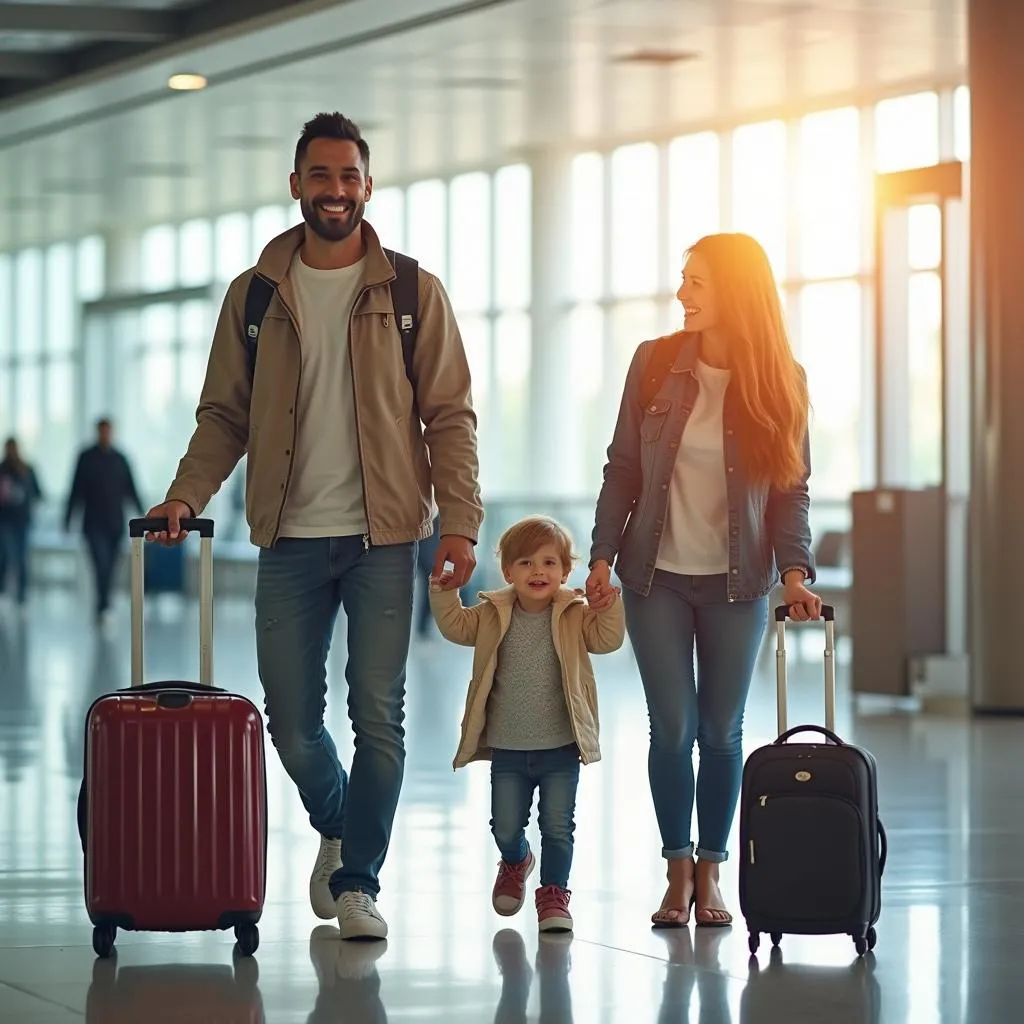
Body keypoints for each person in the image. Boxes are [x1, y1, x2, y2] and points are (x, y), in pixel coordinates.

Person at [144, 112, 483, 941]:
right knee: (290, 719)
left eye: (350, 176)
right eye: (321, 176)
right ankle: (338, 820)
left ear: (369, 186)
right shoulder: (257, 296)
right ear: (295, 184)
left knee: (380, 714)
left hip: (385, 537)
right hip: (288, 538)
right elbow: (224, 414)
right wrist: (185, 495)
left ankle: (360, 879)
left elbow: (450, 416)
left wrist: (461, 525)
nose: (336, 191)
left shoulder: (410, 291)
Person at [586, 232, 821, 929]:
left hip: (737, 582)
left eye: (697, 282)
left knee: (720, 733)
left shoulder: (784, 379)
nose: (682, 294)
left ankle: (713, 873)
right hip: (653, 576)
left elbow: (790, 491)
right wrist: (600, 553)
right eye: (683, 280)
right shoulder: (654, 365)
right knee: (672, 727)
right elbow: (623, 468)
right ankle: (676, 868)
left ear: (737, 293)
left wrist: (795, 572)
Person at [429, 515, 624, 932]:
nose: (538, 571)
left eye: (550, 563)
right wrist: (445, 594)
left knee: (557, 825)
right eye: (526, 563)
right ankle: (516, 859)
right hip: (509, 747)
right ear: (507, 572)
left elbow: (607, 641)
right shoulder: (491, 612)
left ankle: (554, 893)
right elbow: (455, 626)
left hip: (561, 747)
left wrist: (609, 606)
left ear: (565, 571)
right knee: (504, 824)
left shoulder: (574, 613)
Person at [65, 419, 144, 622]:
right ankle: (103, 606)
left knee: (110, 566)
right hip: (92, 524)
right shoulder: (85, 458)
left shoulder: (120, 459)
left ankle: (104, 604)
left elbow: (131, 489)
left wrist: (143, 515)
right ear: (97, 432)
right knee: (100, 564)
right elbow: (75, 490)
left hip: (115, 523)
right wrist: (67, 519)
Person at [0, 437, 42, 607]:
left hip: (23, 521)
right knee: (6, 556)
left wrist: (25, 496)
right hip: (4, 521)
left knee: (22, 557)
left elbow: (38, 493)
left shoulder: (27, 469)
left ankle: (22, 594)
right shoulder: (1, 470)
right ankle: (3, 590)